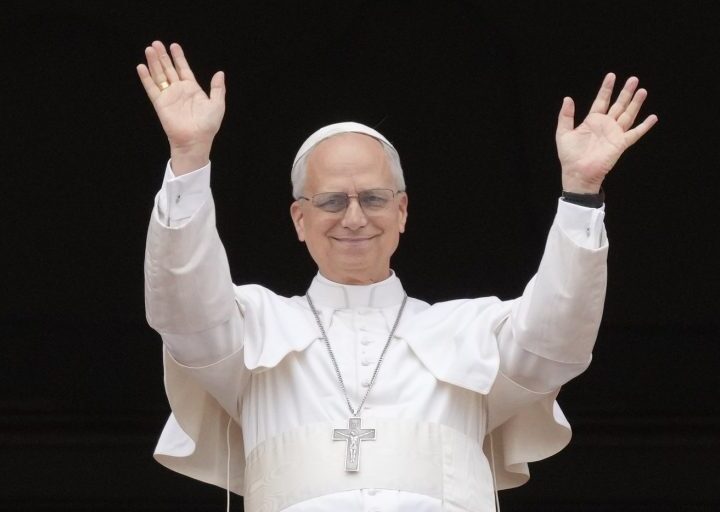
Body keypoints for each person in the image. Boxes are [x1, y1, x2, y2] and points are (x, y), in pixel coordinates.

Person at [138, 40, 657, 512]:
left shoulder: (471, 331)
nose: (354, 218)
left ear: (402, 211)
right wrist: (189, 160)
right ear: (299, 219)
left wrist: (580, 193)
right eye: (332, 201)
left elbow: (557, 340)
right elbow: (184, 308)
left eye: (373, 198)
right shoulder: (252, 325)